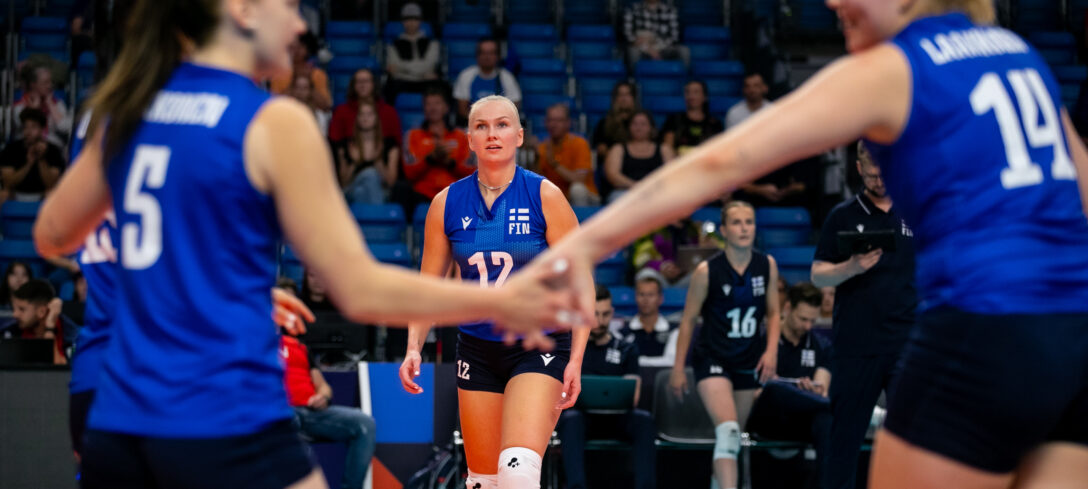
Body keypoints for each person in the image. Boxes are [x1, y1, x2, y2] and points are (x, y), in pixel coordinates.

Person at [530, 0, 1088, 487]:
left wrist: (571, 253)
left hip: (986, 325)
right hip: (1072, 334)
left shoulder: (897, 65)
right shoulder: (1017, 53)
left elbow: (722, 162)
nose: (832, 1)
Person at [33, 2, 583, 487]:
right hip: (214, 401)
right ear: (242, 10)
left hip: (114, 406)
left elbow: (55, 235)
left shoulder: (120, 109)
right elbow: (359, 288)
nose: (299, 24)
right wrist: (499, 300)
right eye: (289, 5)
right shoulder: (268, 119)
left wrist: (217, 286)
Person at [398, 95, 591, 489]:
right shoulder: (446, 203)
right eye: (481, 126)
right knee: (483, 482)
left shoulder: (544, 195)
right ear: (468, 139)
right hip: (477, 350)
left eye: (502, 125)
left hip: (538, 346)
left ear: (519, 136)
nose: (492, 134)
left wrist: (576, 358)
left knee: (517, 475)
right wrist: (413, 346)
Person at [811, 142, 916, 489]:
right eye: (871, 174)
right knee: (844, 442)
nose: (878, 180)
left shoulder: (915, 210)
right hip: (856, 346)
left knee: (909, 441)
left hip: (906, 344)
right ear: (859, 169)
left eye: (884, 172)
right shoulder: (842, 215)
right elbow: (818, 275)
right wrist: (851, 267)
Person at [666, 201, 781, 489]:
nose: (744, 228)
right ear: (724, 230)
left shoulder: (766, 265)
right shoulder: (707, 271)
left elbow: (774, 312)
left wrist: (771, 351)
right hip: (712, 358)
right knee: (728, 431)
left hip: (748, 358)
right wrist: (678, 368)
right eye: (737, 223)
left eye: (749, 222)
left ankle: (717, 483)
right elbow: (688, 320)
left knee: (732, 437)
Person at [557, 284, 656, 489]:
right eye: (594, 314)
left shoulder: (626, 349)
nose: (599, 321)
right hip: (582, 418)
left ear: (612, 313)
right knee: (571, 420)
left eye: (605, 314)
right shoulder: (572, 351)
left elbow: (634, 396)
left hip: (618, 418)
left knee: (644, 420)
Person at [745, 283, 832, 483]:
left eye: (812, 320)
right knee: (774, 389)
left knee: (826, 418)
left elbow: (821, 391)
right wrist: (780, 391)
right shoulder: (759, 341)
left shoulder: (821, 346)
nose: (808, 326)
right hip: (765, 420)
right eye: (803, 319)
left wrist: (810, 392)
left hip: (801, 420)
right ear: (787, 308)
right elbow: (746, 395)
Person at [281, 327, 376, 489]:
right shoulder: (255, 346)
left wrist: (323, 397)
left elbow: (323, 386)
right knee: (290, 422)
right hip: (282, 413)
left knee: (364, 424)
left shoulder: (299, 347)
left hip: (311, 412)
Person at [397, 86, 474, 215]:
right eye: (428, 104)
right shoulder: (413, 135)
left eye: (437, 103)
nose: (433, 108)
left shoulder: (462, 137)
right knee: (401, 190)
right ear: (424, 108)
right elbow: (409, 172)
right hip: (421, 195)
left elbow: (471, 172)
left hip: (454, 195)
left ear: (446, 107)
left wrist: (449, 163)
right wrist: (430, 159)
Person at [534, 103, 598, 206]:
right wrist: (536, 158)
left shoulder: (579, 143)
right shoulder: (542, 147)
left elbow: (579, 180)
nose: (553, 124)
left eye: (559, 120)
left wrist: (554, 164)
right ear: (545, 123)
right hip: (555, 199)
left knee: (577, 189)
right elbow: (535, 183)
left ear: (568, 123)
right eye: (550, 120)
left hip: (586, 197)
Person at [603, 110, 674, 203]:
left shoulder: (664, 149)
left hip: (657, 191)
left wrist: (652, 188)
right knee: (618, 199)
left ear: (651, 128)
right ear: (629, 127)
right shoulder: (618, 149)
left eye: (643, 124)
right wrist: (636, 186)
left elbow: (672, 174)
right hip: (625, 192)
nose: (638, 127)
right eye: (635, 124)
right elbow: (613, 175)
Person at [336, 102, 399, 204]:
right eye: (362, 114)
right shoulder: (347, 145)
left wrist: (378, 160)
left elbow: (390, 182)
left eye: (369, 114)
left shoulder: (389, 145)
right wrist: (355, 162)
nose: (365, 118)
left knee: (361, 191)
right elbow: (343, 184)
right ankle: (377, 213)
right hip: (351, 190)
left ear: (376, 117)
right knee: (369, 174)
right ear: (357, 118)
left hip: (380, 191)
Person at [0, 108, 67, 201]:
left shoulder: (53, 150)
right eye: (25, 127)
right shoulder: (11, 149)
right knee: (3, 194)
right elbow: (7, 183)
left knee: (52, 193)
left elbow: (51, 184)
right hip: (15, 195)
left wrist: (41, 159)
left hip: (42, 195)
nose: (28, 131)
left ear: (42, 129)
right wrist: (28, 164)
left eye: (33, 127)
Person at [617, 270, 678, 367]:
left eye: (651, 295)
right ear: (635, 297)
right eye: (641, 294)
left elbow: (671, 362)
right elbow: (621, 361)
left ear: (660, 299)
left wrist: (636, 360)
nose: (646, 300)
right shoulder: (622, 333)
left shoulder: (674, 331)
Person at [452, 39, 522, 123]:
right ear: (477, 55)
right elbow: (462, 110)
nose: (487, 57)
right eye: (483, 53)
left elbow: (514, 108)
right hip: (472, 124)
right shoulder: (466, 76)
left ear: (498, 56)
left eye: (491, 53)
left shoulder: (507, 77)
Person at [0, 279, 69, 364]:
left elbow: (59, 370)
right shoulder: (9, 333)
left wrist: (50, 328)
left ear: (42, 312)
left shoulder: (71, 334)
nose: (15, 314)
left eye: (22, 309)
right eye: (14, 309)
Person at [329, 68, 403, 147]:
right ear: (353, 85)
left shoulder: (389, 112)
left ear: (373, 84)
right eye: (359, 81)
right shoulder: (341, 111)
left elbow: (397, 143)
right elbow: (334, 142)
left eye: (366, 81)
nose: (362, 85)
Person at [384, 2, 440, 102]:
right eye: (407, 19)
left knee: (443, 88)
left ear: (420, 21)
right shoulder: (393, 45)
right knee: (388, 89)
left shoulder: (432, 43)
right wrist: (422, 73)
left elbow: (429, 64)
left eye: (415, 19)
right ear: (403, 22)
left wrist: (401, 69)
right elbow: (393, 67)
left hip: (424, 82)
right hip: (403, 82)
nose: (411, 23)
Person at [269, 31, 331, 111]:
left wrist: (309, 82)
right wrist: (295, 80)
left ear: (308, 49)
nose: (296, 50)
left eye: (300, 46)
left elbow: (326, 106)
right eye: (292, 47)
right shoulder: (278, 75)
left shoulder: (317, 74)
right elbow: (274, 105)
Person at [13, 63, 72, 145]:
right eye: (45, 82)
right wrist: (33, 110)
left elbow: (66, 128)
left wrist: (50, 104)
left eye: (51, 82)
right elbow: (21, 126)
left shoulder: (57, 103)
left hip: (52, 146)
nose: (50, 85)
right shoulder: (20, 105)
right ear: (33, 84)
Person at [662, 80, 723, 156]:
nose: (691, 96)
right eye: (687, 92)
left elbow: (719, 151)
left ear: (705, 97)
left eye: (696, 92)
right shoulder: (673, 120)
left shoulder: (715, 124)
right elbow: (667, 148)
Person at [622, 0, 690, 67]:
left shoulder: (670, 11)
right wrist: (648, 49)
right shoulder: (632, 9)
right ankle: (632, 74)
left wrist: (656, 46)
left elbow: (674, 37)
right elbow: (628, 36)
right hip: (641, 49)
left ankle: (686, 74)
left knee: (683, 50)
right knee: (632, 51)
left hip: (664, 48)